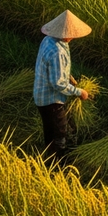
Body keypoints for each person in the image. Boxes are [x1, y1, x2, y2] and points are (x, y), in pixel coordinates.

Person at [33, 9, 92, 162]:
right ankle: (57, 164)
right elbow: (58, 83)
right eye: (72, 33)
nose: (73, 36)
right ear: (65, 33)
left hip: (41, 96)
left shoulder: (49, 40)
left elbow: (53, 68)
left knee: (50, 129)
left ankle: (48, 155)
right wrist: (79, 92)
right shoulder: (58, 51)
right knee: (59, 133)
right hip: (51, 100)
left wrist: (69, 77)